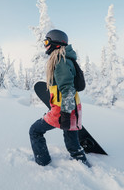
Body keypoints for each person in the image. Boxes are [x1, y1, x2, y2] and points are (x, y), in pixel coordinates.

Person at [29, 29, 91, 168]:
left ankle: (42, 162)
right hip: (73, 107)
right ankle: (82, 164)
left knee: (35, 130)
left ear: (55, 43)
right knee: (72, 143)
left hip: (63, 109)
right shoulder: (66, 59)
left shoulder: (60, 61)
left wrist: (65, 114)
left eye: (47, 41)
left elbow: (67, 89)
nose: (45, 45)